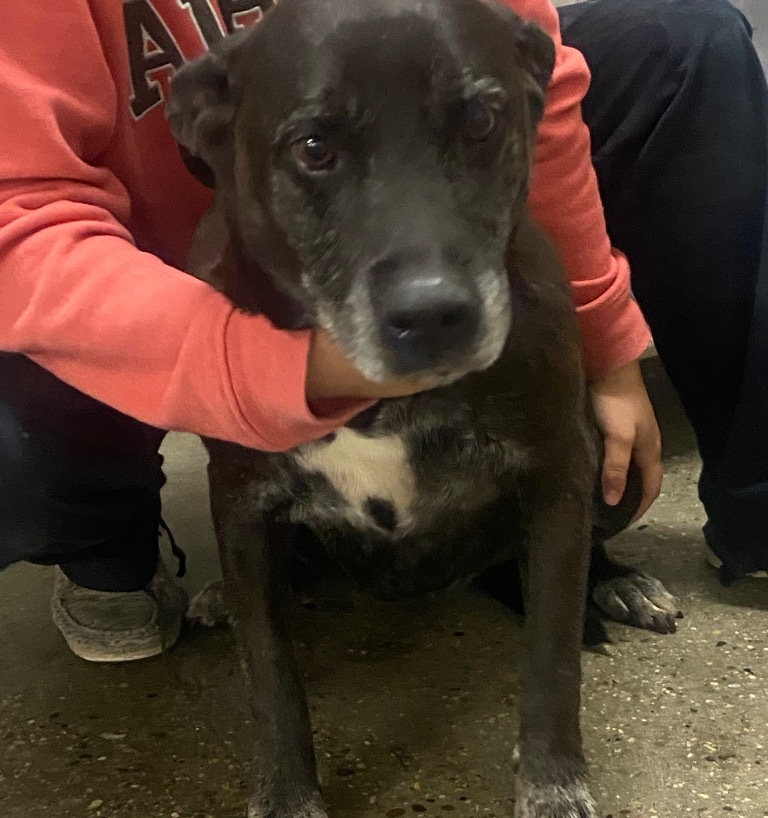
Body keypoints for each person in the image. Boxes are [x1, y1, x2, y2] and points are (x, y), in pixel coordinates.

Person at [0, 0, 764, 663]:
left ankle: (756, 505)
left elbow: (534, 82)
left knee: (689, 44)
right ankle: (100, 531)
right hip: (170, 254)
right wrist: (263, 368)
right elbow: (20, 217)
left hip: (402, 156)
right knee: (18, 443)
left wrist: (600, 335)